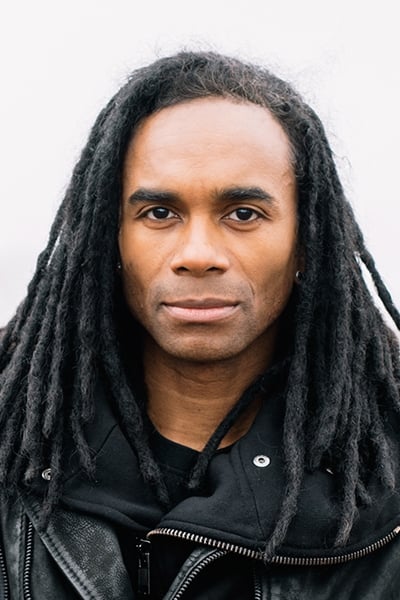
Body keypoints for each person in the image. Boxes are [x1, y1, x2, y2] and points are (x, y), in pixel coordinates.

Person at [0, 51, 399, 600]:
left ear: (307, 240)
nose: (198, 255)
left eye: (243, 214)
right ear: (110, 236)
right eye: (160, 213)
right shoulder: (13, 430)